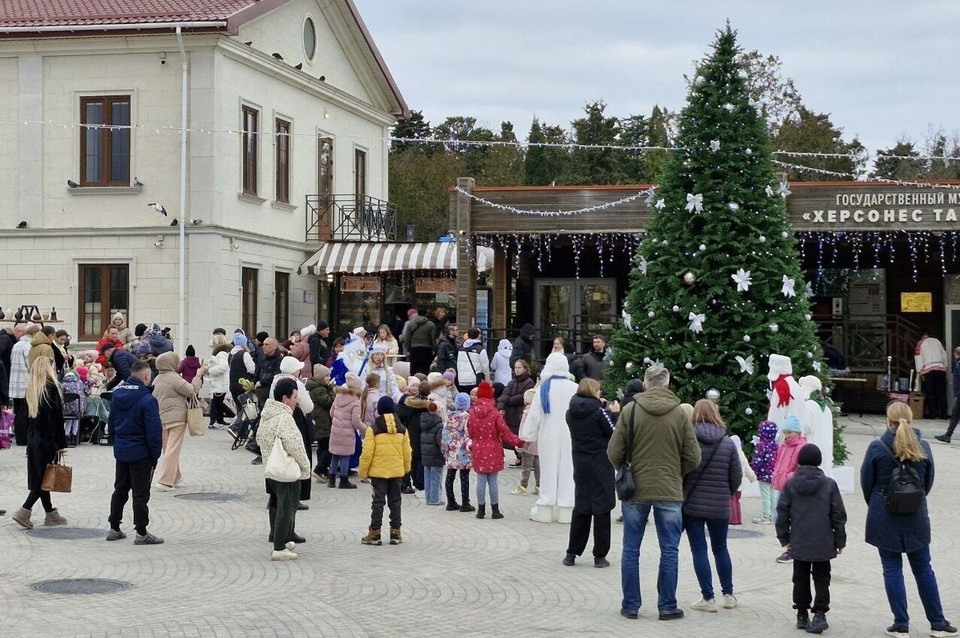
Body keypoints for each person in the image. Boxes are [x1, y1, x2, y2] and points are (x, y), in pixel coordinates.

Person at [607, 365, 700, 621]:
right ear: (667, 385)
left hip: (636, 488)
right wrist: (675, 472)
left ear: (646, 385)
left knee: (631, 549)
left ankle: (631, 605)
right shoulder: (680, 414)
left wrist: (627, 467)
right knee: (670, 549)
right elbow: (694, 456)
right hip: (669, 489)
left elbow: (614, 451)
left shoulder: (631, 410)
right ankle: (667, 605)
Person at [860, 401, 957, 638]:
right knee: (924, 568)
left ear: (887, 421)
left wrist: (877, 505)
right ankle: (938, 623)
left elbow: (866, 483)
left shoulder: (877, 447)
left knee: (892, 569)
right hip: (915, 516)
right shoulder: (923, 446)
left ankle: (901, 624)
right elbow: (928, 482)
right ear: (911, 421)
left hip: (884, 514)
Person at [776, 444, 847, 634]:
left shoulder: (790, 484)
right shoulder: (829, 484)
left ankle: (801, 613)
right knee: (822, 577)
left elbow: (782, 512)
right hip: (824, 541)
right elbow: (838, 514)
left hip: (799, 539)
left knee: (800, 577)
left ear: (799, 460)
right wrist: (840, 540)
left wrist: (784, 538)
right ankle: (820, 613)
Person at [682, 399, 743, 612]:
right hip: (719, 505)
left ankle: (708, 598)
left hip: (693, 506)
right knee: (721, 548)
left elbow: (682, 471)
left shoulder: (689, 440)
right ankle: (728, 594)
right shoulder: (727, 443)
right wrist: (725, 492)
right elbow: (736, 476)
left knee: (699, 549)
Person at [106, 361, 164, 544]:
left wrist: (116, 444)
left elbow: (111, 422)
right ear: (147, 376)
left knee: (120, 490)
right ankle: (141, 532)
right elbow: (154, 431)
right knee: (140, 494)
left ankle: (114, 527)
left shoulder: (117, 394)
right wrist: (155, 455)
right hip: (141, 453)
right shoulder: (148, 399)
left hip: (122, 450)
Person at [562, 378, 617, 568]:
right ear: (594, 391)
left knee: (582, 506)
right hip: (600, 463)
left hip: (580, 463)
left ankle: (571, 553)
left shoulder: (570, 412)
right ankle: (599, 556)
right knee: (601, 508)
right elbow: (613, 432)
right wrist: (613, 413)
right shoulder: (599, 412)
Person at [519, 352, 578, 523]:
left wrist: (527, 435)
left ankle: (545, 508)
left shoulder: (543, 389)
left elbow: (534, 416)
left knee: (548, 470)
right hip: (570, 435)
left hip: (548, 436)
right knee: (568, 471)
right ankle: (566, 509)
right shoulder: (574, 388)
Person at [11, 357, 68, 530]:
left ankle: (51, 513)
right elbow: (56, 420)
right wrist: (61, 444)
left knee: (42, 476)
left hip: (33, 438)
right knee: (43, 478)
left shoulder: (32, 389)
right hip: (48, 439)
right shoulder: (51, 388)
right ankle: (24, 510)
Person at [257, 378, 311, 561]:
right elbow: (296, 446)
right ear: (285, 398)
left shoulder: (267, 414)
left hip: (271, 468)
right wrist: (305, 467)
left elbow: (259, 438)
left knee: (276, 503)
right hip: (286, 471)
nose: (297, 401)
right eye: (295, 397)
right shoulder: (285, 418)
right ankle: (279, 547)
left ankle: (279, 538)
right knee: (286, 508)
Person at [359, 395, 412, 545]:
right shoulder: (402, 429)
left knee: (378, 502)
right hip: (396, 472)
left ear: (379, 411)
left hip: (378, 473)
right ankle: (396, 532)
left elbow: (367, 452)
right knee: (395, 501)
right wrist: (406, 468)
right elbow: (407, 451)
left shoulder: (373, 429)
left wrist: (363, 472)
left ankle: (375, 533)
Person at [468, 381, 523, 519]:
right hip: (493, 448)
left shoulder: (472, 412)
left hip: (478, 448)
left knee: (480, 480)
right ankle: (495, 510)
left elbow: (470, 431)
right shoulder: (495, 413)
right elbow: (504, 432)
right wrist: (518, 442)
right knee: (492, 480)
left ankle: (480, 510)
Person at [151, 352, 199, 491]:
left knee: (168, 449)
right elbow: (191, 391)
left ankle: (175, 476)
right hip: (177, 419)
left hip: (162, 419)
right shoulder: (174, 378)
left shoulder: (157, 379)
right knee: (172, 450)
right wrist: (198, 377)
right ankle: (165, 481)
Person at [772, 415, 807, 563]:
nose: (787, 435)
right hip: (782, 486)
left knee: (789, 518)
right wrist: (776, 474)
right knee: (778, 516)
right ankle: (792, 546)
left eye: (790, 432)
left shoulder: (801, 447)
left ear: (797, 432)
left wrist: (788, 477)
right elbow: (778, 462)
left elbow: (801, 468)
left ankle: (793, 548)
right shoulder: (783, 446)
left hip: (793, 488)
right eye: (785, 432)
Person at [497, 359, 535, 468]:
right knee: (512, 435)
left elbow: (524, 396)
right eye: (516, 368)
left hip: (520, 412)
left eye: (519, 368)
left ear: (524, 369)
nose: (517, 370)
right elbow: (505, 395)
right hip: (510, 413)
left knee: (521, 434)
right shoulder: (511, 382)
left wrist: (509, 400)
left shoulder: (529, 382)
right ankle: (518, 456)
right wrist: (501, 406)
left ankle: (525, 458)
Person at [329, 372, 364, 489]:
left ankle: (331, 479)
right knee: (345, 456)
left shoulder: (338, 397)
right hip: (347, 433)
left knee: (335, 455)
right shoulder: (355, 402)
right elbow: (356, 421)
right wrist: (366, 428)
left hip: (335, 432)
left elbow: (331, 413)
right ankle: (344, 480)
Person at [441, 392, 474, 512]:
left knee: (450, 475)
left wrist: (444, 449)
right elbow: (468, 433)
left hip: (451, 449)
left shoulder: (449, 416)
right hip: (463, 449)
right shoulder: (466, 416)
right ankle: (465, 503)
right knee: (464, 475)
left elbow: (444, 433)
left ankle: (451, 501)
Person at [306, 364, 335, 481]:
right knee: (329, 447)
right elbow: (329, 402)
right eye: (327, 376)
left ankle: (323, 470)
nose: (329, 378)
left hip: (321, 421)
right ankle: (320, 468)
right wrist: (333, 390)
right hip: (323, 422)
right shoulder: (319, 389)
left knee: (322, 447)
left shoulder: (318, 387)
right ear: (321, 377)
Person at [510, 388, 540, 496]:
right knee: (537, 465)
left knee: (526, 466)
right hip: (537, 443)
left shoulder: (527, 412)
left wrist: (521, 442)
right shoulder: (539, 411)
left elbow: (523, 428)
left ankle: (523, 486)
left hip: (528, 443)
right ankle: (538, 486)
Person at [915, 329, 948, 419]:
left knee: (930, 393)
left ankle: (932, 414)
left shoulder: (920, 343)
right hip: (941, 369)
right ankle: (944, 414)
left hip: (928, 370)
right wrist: (945, 367)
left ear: (921, 336)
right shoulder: (938, 342)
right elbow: (944, 355)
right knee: (942, 393)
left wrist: (919, 372)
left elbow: (918, 358)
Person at [751, 420, 779, 524]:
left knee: (765, 495)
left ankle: (765, 516)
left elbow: (758, 460)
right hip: (774, 474)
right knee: (774, 495)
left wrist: (754, 470)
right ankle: (773, 515)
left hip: (763, 474)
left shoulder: (761, 445)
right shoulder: (776, 445)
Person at [202, 339, 232, 429]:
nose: (211, 345)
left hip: (220, 383)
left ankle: (232, 416)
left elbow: (223, 367)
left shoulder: (221, 354)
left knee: (218, 402)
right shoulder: (219, 354)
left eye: (213, 343)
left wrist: (210, 371)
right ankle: (219, 421)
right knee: (217, 402)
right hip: (218, 382)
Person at [419, 401, 445, 506]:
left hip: (426, 453)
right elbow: (440, 441)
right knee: (436, 477)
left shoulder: (424, 421)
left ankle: (428, 498)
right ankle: (434, 499)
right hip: (436, 455)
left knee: (428, 476)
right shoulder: (439, 425)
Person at [935, 346, 960, 444]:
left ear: (955, 354)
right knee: (955, 414)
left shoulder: (958, 363)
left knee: (955, 414)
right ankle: (948, 435)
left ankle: (948, 435)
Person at [402, 309, 437, 376]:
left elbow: (407, 338)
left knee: (413, 370)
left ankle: (413, 383)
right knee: (425, 370)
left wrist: (408, 348)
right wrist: (434, 349)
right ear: (426, 314)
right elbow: (433, 338)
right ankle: (424, 384)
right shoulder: (431, 325)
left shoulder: (410, 324)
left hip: (414, 348)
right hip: (426, 349)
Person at [455, 327, 489, 394]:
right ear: (479, 335)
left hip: (462, 380)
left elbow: (458, 365)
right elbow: (485, 367)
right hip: (474, 380)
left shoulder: (461, 349)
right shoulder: (481, 349)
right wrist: (487, 380)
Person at [254, 337, 282, 406]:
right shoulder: (263, 359)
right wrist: (252, 383)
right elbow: (257, 373)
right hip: (260, 393)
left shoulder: (279, 359)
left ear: (275, 346)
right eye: (263, 344)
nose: (264, 347)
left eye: (267, 345)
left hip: (271, 393)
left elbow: (277, 376)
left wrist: (262, 382)